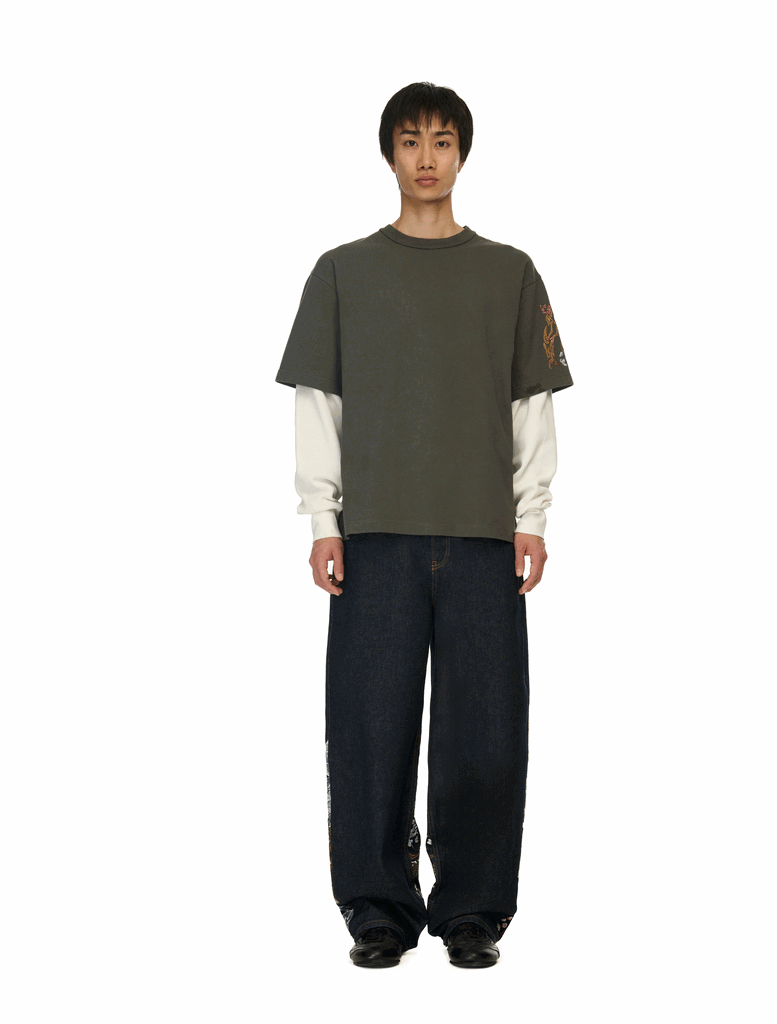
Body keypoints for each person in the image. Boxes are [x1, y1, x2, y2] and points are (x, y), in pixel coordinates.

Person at [275, 81, 575, 968]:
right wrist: (323, 519)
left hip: (484, 535)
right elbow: (319, 403)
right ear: (389, 154)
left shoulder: (510, 272)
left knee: (487, 730)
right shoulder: (342, 272)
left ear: (463, 153)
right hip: (376, 535)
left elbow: (531, 404)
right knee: (368, 725)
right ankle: (377, 907)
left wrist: (532, 515)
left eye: (443, 140)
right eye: (411, 141)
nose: (427, 157)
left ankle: (473, 908)